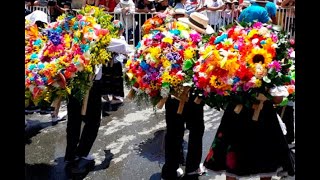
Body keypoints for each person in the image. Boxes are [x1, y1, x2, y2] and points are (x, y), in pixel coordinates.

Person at [161, 12, 214, 180]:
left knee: (174, 132)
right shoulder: (201, 45)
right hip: (194, 97)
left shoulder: (173, 39)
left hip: (173, 92)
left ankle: (170, 168)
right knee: (196, 130)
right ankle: (191, 167)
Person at [64, 72, 103, 174]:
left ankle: (71, 154)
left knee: (74, 119)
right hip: (89, 84)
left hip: (74, 82)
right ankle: (82, 152)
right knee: (93, 120)